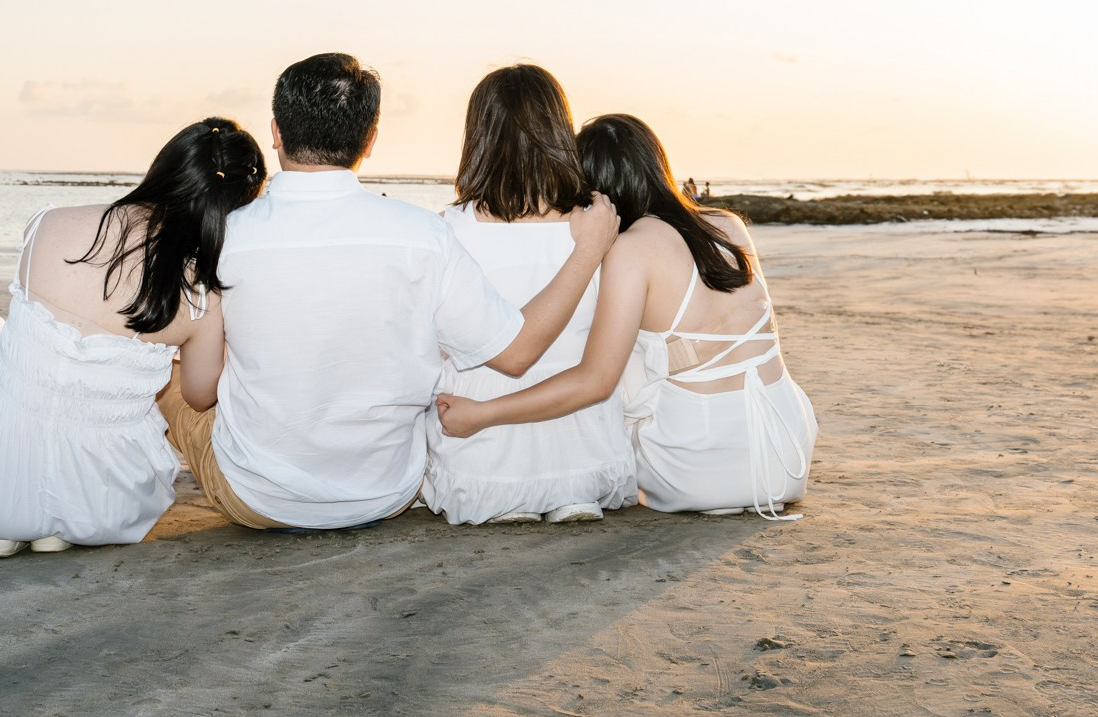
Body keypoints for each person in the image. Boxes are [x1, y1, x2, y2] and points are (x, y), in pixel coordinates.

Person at [158, 52, 618, 531]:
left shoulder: (224, 238)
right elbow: (516, 354)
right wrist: (587, 251)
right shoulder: (425, 234)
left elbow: (201, 394)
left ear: (276, 132)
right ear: (370, 140)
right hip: (386, 491)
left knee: (161, 372)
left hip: (260, 499)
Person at [438, 114, 815, 518]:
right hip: (785, 453)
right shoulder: (728, 225)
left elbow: (595, 382)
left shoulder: (631, 251)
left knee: (610, 355)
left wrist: (482, 415)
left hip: (697, 466)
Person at [0, 118, 266, 555]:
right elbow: (199, 397)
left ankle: (3, 524)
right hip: (105, 505)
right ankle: (57, 528)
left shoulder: (48, 223)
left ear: (165, 165)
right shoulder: (200, 293)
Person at [422, 65, 636, 525]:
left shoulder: (449, 230)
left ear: (478, 137)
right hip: (583, 458)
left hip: (480, 463)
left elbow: (433, 348)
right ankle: (566, 494)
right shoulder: (597, 224)